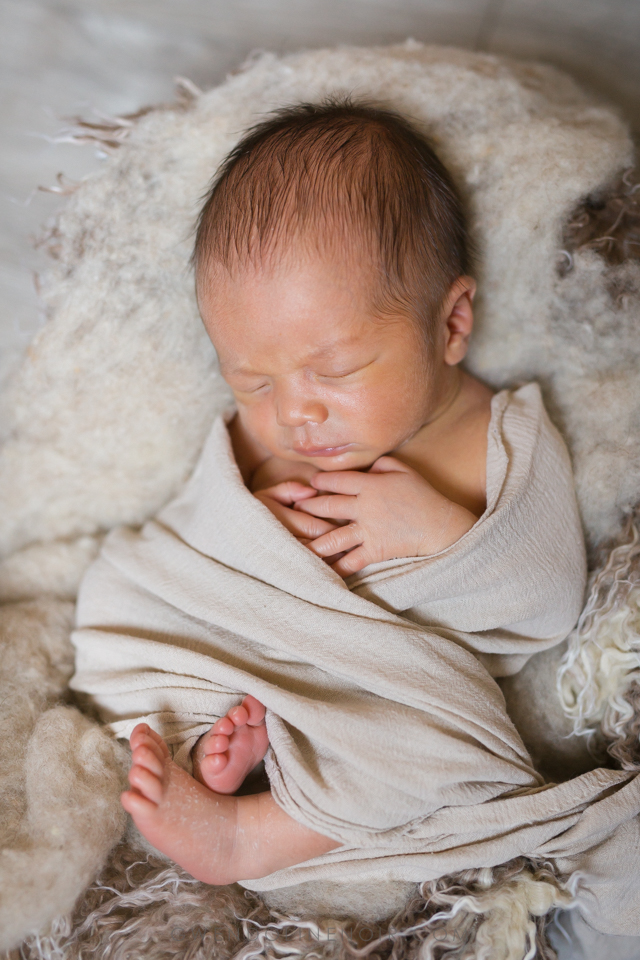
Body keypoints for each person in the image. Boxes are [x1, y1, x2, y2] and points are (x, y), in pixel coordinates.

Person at [71, 100, 587, 887]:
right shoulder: (269, 433)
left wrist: (441, 534)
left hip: (390, 694)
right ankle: (224, 753)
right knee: (115, 589)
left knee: (438, 747)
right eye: (253, 382)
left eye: (336, 372)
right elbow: (195, 538)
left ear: (450, 325)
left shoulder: (501, 436)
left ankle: (253, 830)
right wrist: (250, 523)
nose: (295, 413)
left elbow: (549, 596)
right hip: (261, 653)